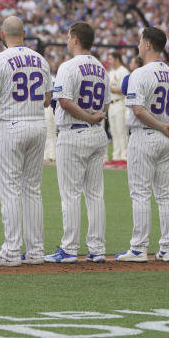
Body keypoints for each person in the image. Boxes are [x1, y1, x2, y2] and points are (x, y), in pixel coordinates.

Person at [0, 16, 51, 266]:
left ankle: (11, 251)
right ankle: (35, 251)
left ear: (2, 34)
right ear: (25, 33)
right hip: (37, 123)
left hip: (11, 124)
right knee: (32, 189)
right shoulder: (40, 59)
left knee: (10, 189)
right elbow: (46, 99)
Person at [44, 22, 108, 264]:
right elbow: (106, 104)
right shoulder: (101, 68)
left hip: (74, 132)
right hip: (96, 133)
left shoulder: (69, 66)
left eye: (69, 37)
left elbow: (65, 101)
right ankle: (97, 248)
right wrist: (93, 116)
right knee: (95, 194)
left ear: (75, 39)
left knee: (70, 194)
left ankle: (69, 249)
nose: (67, 41)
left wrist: (88, 116)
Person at [116, 26, 169, 263]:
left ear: (147, 45)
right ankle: (168, 248)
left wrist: (160, 126)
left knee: (141, 193)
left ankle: (139, 248)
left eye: (140, 40)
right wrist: (164, 126)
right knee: (165, 194)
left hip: (146, 134)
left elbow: (138, 110)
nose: (138, 44)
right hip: (167, 136)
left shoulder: (140, 73)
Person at [107, 51, 129, 164]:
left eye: (110, 59)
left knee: (121, 130)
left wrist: (112, 89)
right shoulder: (111, 72)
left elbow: (125, 89)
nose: (109, 61)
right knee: (114, 131)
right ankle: (116, 156)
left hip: (120, 102)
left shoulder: (123, 71)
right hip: (111, 103)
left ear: (116, 59)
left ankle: (124, 156)